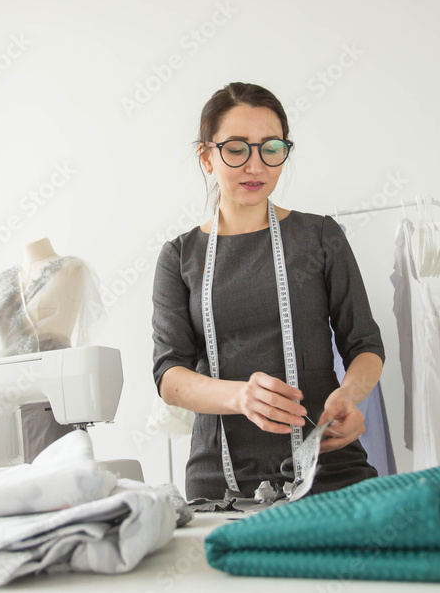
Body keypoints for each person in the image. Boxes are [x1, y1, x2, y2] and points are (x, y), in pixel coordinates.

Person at [151, 81, 386, 501]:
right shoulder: (180, 257)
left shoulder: (320, 236)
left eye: (271, 149)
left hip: (329, 463)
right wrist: (240, 396)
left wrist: (350, 397)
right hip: (220, 477)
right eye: (236, 149)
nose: (256, 166)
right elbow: (169, 377)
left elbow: (365, 345)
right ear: (206, 156)